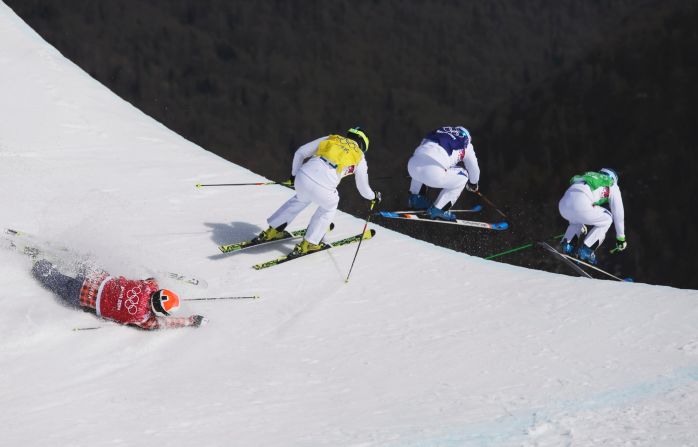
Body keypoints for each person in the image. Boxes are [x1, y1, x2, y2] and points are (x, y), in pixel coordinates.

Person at [254, 127, 381, 256]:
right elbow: (362, 188)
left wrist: (293, 176)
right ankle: (310, 242)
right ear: (362, 144)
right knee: (329, 206)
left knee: (300, 198)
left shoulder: (332, 138)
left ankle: (273, 230)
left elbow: (300, 152)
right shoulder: (359, 156)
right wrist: (373, 196)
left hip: (303, 176)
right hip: (324, 188)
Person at [31, 259, 206, 330]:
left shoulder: (147, 287)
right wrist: (190, 321)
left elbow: (153, 280)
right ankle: (41, 268)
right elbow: (162, 324)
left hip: (95, 276)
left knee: (85, 261)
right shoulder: (142, 317)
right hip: (82, 295)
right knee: (58, 282)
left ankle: (62, 257)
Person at [406, 126, 480, 221]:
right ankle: (439, 210)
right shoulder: (466, 144)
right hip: (433, 173)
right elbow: (473, 167)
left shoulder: (439, 131)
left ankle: (416, 199)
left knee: (424, 160)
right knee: (464, 175)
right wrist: (473, 183)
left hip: (412, 165)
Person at [558, 168, 627, 265]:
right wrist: (621, 238)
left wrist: (579, 222)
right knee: (607, 218)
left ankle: (568, 245)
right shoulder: (611, 184)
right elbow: (618, 212)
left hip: (563, 206)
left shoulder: (586, 175)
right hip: (581, 204)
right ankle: (586, 250)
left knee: (576, 220)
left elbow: (574, 200)